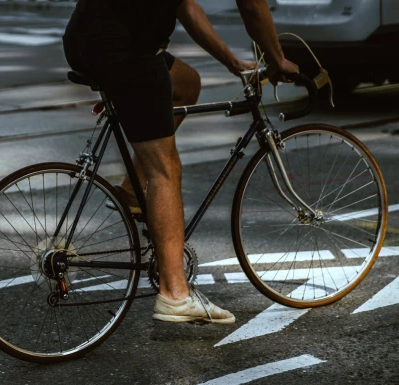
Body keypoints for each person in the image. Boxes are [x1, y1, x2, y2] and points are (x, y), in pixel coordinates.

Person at [63, 0, 299, 324]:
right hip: (126, 50)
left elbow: (185, 5)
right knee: (165, 169)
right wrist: (277, 59)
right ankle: (175, 293)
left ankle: (132, 191)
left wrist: (233, 63)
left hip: (86, 38)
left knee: (187, 84)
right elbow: (253, 5)